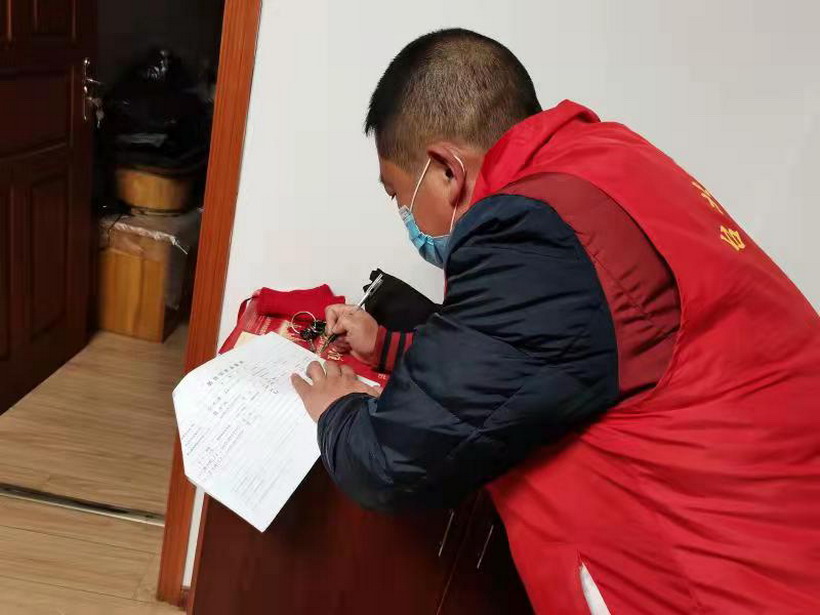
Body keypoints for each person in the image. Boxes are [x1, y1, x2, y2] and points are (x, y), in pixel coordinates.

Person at [291, 28, 820, 614]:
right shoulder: (605, 163)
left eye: (399, 196)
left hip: (726, 584)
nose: (406, 216)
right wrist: (387, 346)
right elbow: (538, 358)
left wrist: (338, 410)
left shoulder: (534, 233)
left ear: (445, 170)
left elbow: (393, 464)